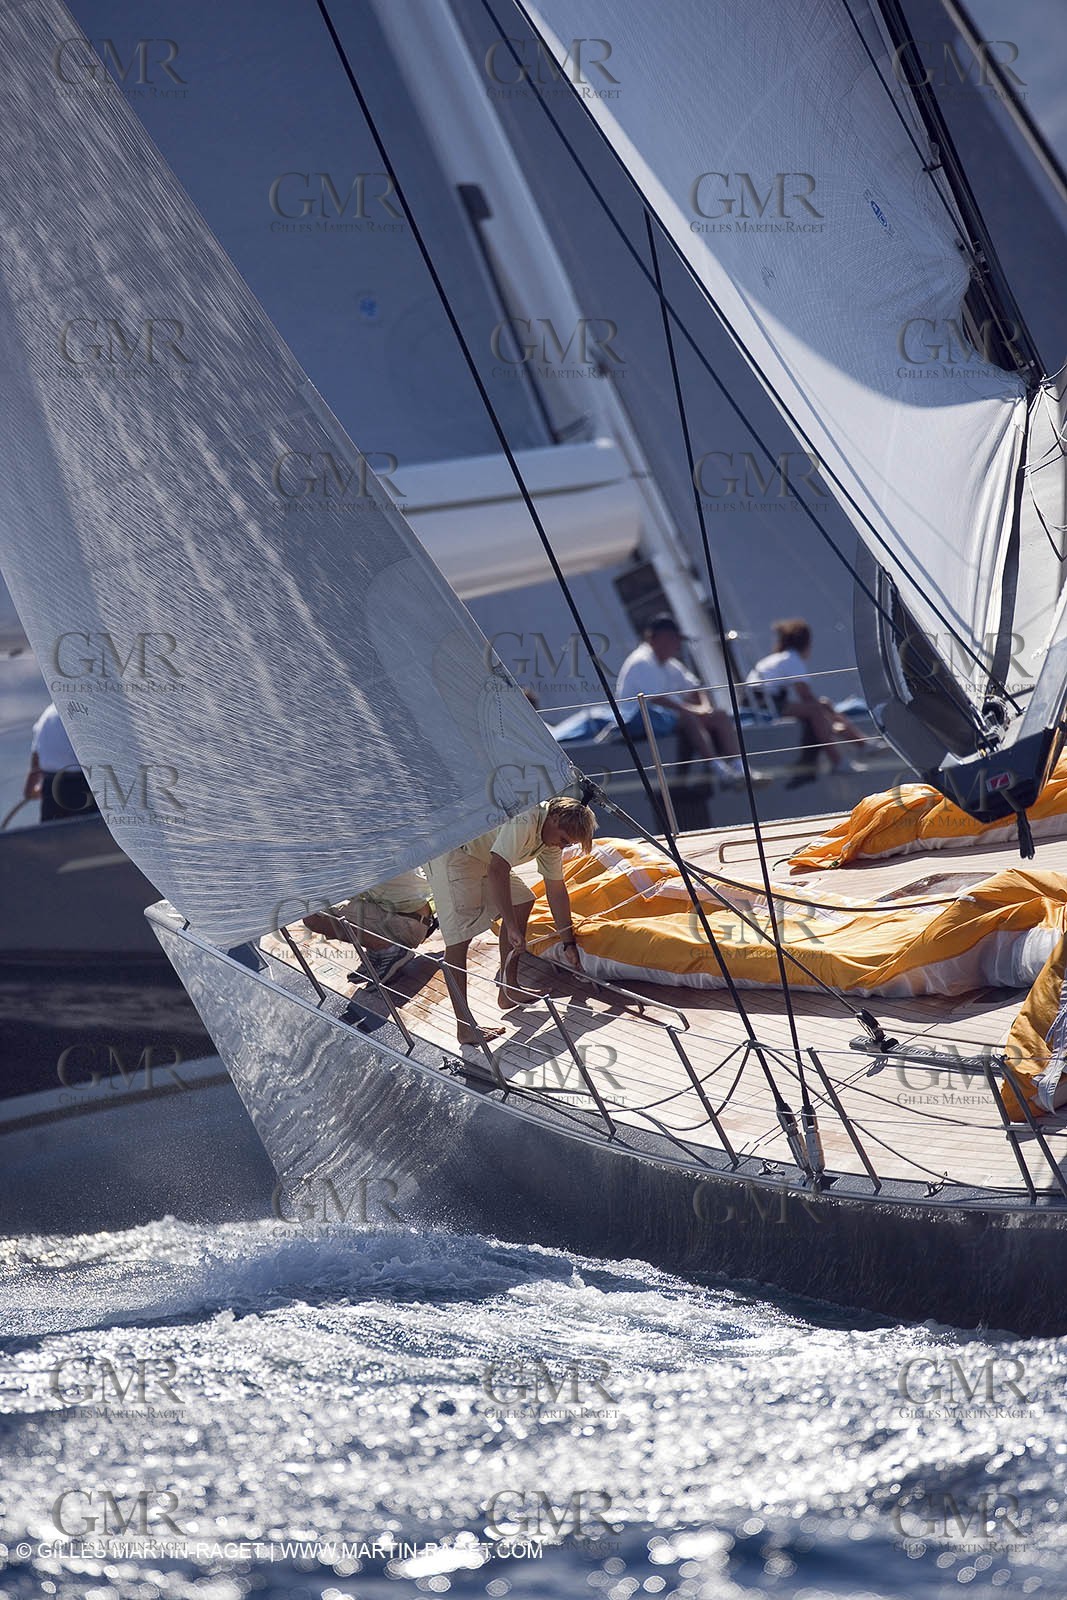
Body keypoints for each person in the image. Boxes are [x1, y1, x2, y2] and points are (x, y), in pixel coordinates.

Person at [426, 795, 596, 1049]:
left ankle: (509, 988)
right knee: (459, 941)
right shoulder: (526, 820)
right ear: (555, 818)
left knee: (523, 901)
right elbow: (498, 869)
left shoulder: (550, 839)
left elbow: (556, 889)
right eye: (563, 840)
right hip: (454, 854)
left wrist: (567, 941)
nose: (562, 847)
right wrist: (511, 925)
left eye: (567, 844)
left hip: (483, 856)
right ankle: (465, 1027)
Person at [615, 615, 763, 786]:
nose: (678, 645)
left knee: (720, 716)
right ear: (661, 638)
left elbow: (694, 687)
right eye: (674, 639)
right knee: (689, 719)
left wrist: (704, 707)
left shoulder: (671, 664)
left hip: (670, 717)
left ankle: (741, 768)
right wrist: (694, 711)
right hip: (640, 719)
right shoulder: (641, 661)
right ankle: (718, 769)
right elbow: (656, 699)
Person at [749, 618, 866, 785]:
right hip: (763, 704)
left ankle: (860, 741)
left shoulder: (779, 658)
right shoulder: (792, 659)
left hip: (762, 700)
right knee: (816, 710)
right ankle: (841, 759)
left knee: (822, 705)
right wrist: (828, 722)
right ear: (806, 642)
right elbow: (805, 695)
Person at [303, 866, 434, 985]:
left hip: (407, 924)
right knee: (350, 901)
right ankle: (377, 953)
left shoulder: (360, 855)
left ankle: (390, 950)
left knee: (313, 917)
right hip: (416, 918)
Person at [23, 702, 98, 822]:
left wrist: (34, 790)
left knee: (51, 836)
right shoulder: (91, 709)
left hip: (51, 789)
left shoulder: (47, 715)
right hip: (84, 786)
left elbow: (34, 767)